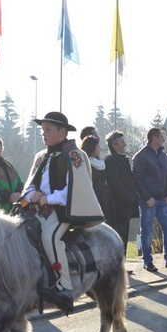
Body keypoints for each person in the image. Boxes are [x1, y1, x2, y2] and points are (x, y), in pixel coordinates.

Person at [22, 111, 104, 313]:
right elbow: (29, 184)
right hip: (37, 208)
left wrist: (47, 199)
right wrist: (32, 195)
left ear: (62, 132)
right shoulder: (40, 156)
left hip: (63, 210)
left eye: (48, 130)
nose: (44, 134)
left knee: (50, 237)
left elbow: (74, 190)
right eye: (43, 130)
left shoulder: (76, 156)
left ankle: (64, 286)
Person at [132, 127, 167, 272]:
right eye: (161, 136)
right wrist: (146, 197)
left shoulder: (162, 156)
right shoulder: (141, 156)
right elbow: (136, 179)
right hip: (148, 201)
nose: (163, 139)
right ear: (154, 138)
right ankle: (148, 261)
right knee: (147, 232)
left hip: (162, 200)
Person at [103, 131, 139, 255]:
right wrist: (128, 198)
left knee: (124, 238)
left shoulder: (122, 159)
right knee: (117, 238)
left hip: (126, 207)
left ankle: (122, 266)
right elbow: (116, 184)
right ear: (114, 144)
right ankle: (118, 268)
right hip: (117, 208)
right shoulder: (110, 160)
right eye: (122, 142)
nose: (125, 144)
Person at [80, 135, 113, 221]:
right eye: (97, 146)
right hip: (94, 204)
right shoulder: (85, 165)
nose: (100, 148)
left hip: (105, 202)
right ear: (92, 148)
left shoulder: (101, 164)